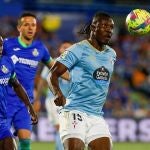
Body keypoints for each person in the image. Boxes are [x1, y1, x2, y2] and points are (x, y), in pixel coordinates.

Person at [47, 12, 116, 150]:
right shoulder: (78, 49)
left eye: (111, 27)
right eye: (105, 26)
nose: (109, 30)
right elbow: (52, 75)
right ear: (93, 27)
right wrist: (57, 93)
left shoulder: (111, 54)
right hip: (74, 111)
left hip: (96, 115)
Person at [2, 12, 69, 150]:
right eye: (26, 24)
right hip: (5, 102)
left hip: (25, 103)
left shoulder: (40, 48)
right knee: (6, 142)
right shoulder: (7, 44)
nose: (30, 28)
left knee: (25, 140)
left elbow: (55, 68)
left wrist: (76, 78)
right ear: (19, 27)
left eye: (33, 25)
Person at [0, 36, 37, 150]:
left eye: (0, 44)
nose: (0, 48)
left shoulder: (7, 62)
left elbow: (16, 85)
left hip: (1, 121)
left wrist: (30, 106)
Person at [41, 41, 72, 150]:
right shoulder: (53, 62)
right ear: (60, 49)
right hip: (54, 100)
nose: (66, 50)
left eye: (69, 48)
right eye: (64, 47)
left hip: (69, 102)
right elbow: (42, 81)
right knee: (61, 128)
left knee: (65, 129)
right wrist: (36, 99)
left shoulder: (74, 65)